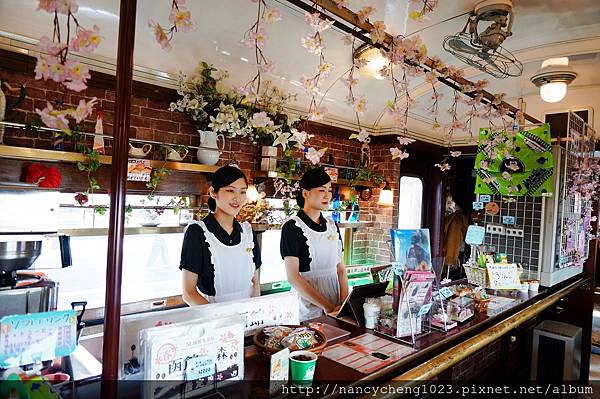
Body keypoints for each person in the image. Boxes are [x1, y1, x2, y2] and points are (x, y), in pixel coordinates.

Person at [180, 165, 261, 305]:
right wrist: (223, 320)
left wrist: (253, 314)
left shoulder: (247, 232)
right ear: (213, 192)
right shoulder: (197, 232)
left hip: (247, 318)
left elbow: (255, 283)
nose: (237, 198)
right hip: (213, 320)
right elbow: (189, 293)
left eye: (242, 192)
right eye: (230, 190)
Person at [280, 168, 349, 321]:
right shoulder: (292, 227)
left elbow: (341, 269)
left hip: (336, 307)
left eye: (329, 190)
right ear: (305, 193)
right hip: (307, 309)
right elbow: (293, 277)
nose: (327, 196)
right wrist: (327, 307)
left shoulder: (332, 225)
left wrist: (344, 305)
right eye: (321, 190)